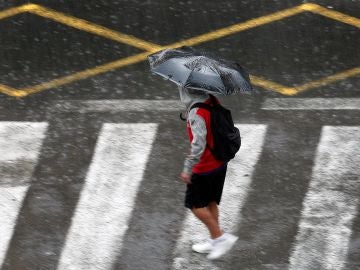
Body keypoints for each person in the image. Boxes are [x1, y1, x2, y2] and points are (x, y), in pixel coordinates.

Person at [178, 86, 238, 260]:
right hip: (219, 162)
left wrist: (187, 168)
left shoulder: (196, 112)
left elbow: (198, 144)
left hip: (204, 167)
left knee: (195, 205)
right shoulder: (210, 100)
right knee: (211, 201)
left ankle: (219, 237)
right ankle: (215, 239)